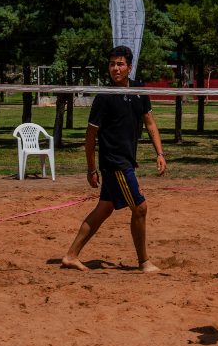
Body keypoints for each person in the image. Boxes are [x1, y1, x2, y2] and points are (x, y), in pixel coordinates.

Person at [62, 46, 166, 273]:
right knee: (140, 208)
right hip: (115, 163)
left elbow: (149, 122)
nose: (115, 68)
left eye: (119, 64)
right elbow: (90, 137)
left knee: (104, 208)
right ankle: (144, 262)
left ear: (129, 67)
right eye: (112, 64)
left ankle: (71, 256)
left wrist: (159, 153)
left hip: (126, 160)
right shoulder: (104, 97)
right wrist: (91, 169)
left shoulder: (139, 89)